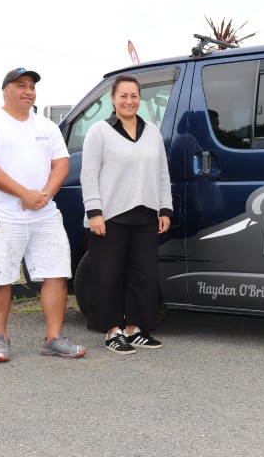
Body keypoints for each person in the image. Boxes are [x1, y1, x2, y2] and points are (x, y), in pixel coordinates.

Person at [0, 67, 87, 363]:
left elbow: (61, 165)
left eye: (32, 86)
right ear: (5, 90)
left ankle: (53, 338)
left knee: (56, 273)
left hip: (44, 213)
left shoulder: (47, 127)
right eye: (21, 85)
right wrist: (25, 194)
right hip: (1, 215)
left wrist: (43, 195)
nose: (28, 91)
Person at [80, 74, 172, 354]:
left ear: (139, 98)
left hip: (146, 214)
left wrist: (165, 207)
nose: (129, 101)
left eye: (134, 96)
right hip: (109, 217)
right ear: (113, 99)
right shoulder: (99, 131)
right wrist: (94, 211)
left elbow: (161, 173)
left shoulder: (152, 131)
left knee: (143, 275)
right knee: (107, 275)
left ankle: (134, 329)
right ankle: (112, 331)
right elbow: (89, 174)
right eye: (123, 96)